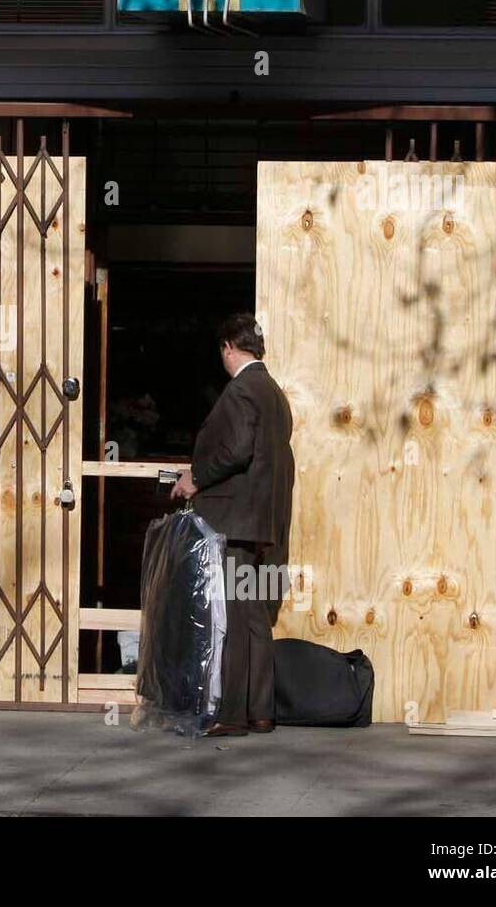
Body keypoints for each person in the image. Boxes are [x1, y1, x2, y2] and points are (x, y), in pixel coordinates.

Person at [171, 313, 294, 738]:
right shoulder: (274, 393)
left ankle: (234, 715)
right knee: (256, 615)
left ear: (228, 346)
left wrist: (196, 478)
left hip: (237, 522)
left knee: (238, 618)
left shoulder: (242, 390)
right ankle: (260, 710)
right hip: (262, 524)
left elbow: (238, 450)